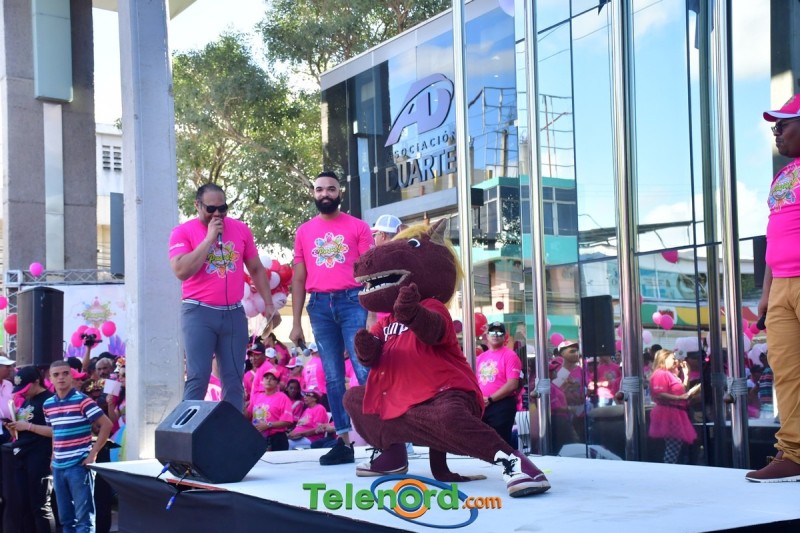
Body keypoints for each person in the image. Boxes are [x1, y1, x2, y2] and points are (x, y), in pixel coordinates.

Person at [290, 171, 373, 466]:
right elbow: (298, 278)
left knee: (363, 371)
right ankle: (344, 442)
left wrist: (371, 313)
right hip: (319, 306)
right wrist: (295, 322)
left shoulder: (359, 227)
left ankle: (381, 438)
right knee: (333, 376)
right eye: (319, 189)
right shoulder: (303, 231)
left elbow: (369, 271)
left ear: (340, 193)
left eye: (331, 189)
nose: (325, 194)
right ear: (313, 193)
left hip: (353, 301)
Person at [169, 183, 276, 411]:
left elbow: (256, 269)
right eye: (211, 209)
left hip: (233, 313)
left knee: (234, 379)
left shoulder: (241, 229)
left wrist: (268, 304)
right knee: (199, 376)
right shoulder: (183, 232)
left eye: (223, 208)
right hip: (199, 312)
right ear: (197, 206)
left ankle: (230, 430)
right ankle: (190, 430)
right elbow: (181, 270)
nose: (217, 214)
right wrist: (209, 239)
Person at [747, 95, 800, 482]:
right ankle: (794, 453)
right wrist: (766, 293)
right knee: (786, 373)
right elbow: (774, 238)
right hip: (781, 285)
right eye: (774, 127)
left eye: (783, 125)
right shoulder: (782, 176)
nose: (776, 133)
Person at [43, 360, 113, 533]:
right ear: (50, 379)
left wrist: (93, 454)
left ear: (71, 376)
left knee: (84, 519)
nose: (61, 378)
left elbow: (107, 424)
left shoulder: (83, 400)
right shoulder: (48, 404)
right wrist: (53, 456)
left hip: (79, 465)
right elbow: (56, 431)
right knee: (66, 518)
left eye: (65, 373)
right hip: (58, 466)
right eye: (56, 375)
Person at [4, 366, 55, 531]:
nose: (23, 393)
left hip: (40, 457)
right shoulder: (28, 400)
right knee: (23, 505)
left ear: (37, 382)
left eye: (26, 388)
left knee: (40, 505)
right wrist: (14, 428)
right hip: (22, 455)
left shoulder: (49, 400)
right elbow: (23, 429)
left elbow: (57, 431)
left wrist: (28, 426)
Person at [475, 321, 523, 447]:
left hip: (501, 405)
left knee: (500, 444)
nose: (496, 335)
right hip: (482, 406)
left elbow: (512, 384)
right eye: (492, 332)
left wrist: (490, 399)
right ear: (487, 335)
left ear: (504, 336)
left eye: (500, 332)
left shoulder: (510, 356)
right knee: (482, 444)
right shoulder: (480, 358)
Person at [648, 349, 698, 464]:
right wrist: (679, 398)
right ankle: (668, 467)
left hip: (676, 411)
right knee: (673, 445)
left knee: (675, 445)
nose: (676, 361)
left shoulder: (672, 374)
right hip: (668, 412)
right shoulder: (661, 373)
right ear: (664, 360)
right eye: (673, 359)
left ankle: (670, 466)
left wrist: (686, 376)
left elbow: (682, 390)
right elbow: (659, 393)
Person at [247, 366, 294, 451]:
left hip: (276, 439)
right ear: (262, 380)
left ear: (277, 383)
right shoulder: (256, 397)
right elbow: (248, 415)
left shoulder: (283, 397)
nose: (269, 380)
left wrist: (268, 425)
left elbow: (288, 421)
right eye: (266, 378)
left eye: (273, 379)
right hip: (257, 437)